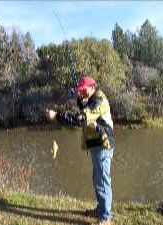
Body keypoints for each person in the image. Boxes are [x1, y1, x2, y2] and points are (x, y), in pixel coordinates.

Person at [45, 76, 115, 225]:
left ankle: (106, 218)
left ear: (92, 87)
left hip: (103, 145)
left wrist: (57, 116)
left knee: (102, 181)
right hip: (97, 145)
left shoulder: (99, 101)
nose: (81, 93)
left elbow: (81, 119)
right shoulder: (92, 98)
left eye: (83, 90)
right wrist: (78, 99)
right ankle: (101, 209)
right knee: (98, 180)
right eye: (79, 91)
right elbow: (86, 109)